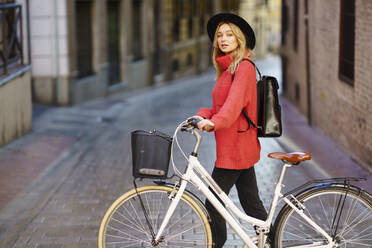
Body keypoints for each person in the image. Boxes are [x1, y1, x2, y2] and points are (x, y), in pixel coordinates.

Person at [190, 13, 268, 247]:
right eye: (219, 35)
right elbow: (218, 107)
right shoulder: (227, 69)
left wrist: (214, 123)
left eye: (229, 34)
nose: (223, 39)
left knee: (213, 202)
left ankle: (216, 243)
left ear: (239, 38)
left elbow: (232, 108)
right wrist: (201, 115)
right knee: (251, 203)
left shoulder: (243, 67)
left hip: (236, 148)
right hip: (234, 146)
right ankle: (271, 240)